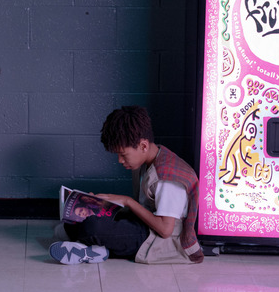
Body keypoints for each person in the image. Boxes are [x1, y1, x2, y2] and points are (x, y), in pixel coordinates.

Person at [49, 106, 203, 265]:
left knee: (92, 227)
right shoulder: (148, 159)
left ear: (143, 146)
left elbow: (165, 231)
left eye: (123, 155)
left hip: (156, 240)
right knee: (89, 216)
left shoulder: (167, 178)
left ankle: (89, 246)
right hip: (143, 225)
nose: (120, 160)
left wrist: (128, 202)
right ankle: (96, 250)